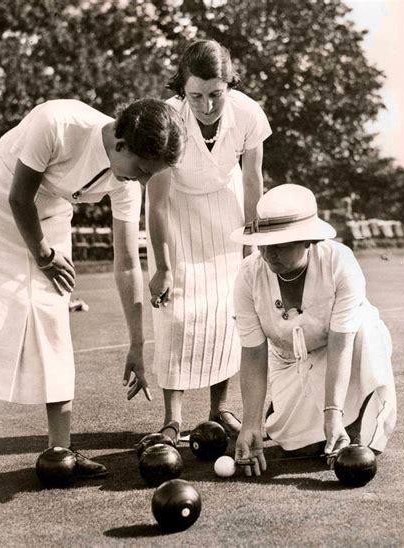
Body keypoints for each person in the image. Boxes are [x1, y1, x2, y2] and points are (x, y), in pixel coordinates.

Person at [0, 97, 185, 486]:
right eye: (140, 170)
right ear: (121, 144)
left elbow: (125, 262)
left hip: (49, 211)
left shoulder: (127, 181)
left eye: (149, 175)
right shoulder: (57, 122)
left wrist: (137, 344)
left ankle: (60, 449)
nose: (141, 181)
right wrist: (42, 254)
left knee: (53, 318)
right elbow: (18, 197)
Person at [146, 39, 272, 443]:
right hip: (178, 213)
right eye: (195, 95)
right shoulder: (169, 117)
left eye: (215, 94)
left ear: (229, 85)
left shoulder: (249, 113)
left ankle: (219, 409)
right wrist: (163, 268)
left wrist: (254, 245)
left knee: (227, 312)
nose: (206, 105)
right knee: (176, 315)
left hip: (228, 211)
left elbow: (252, 179)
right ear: (182, 89)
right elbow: (158, 202)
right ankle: (172, 420)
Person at [231, 184, 396, 476]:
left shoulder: (339, 263)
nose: (268, 254)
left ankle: (355, 425)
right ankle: (281, 412)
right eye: (262, 244)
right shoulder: (248, 275)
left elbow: (341, 344)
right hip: (290, 359)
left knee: (367, 330)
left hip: (348, 349)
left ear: (308, 240)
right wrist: (251, 425)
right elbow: (254, 354)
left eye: (279, 245)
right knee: (300, 449)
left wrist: (333, 414)